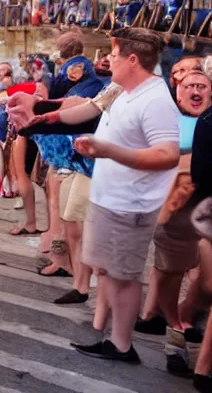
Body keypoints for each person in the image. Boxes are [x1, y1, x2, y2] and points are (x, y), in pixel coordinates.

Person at [70, 28, 180, 362]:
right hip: (109, 200)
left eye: (114, 54)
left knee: (124, 276)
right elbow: (87, 108)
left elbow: (168, 155)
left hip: (130, 206)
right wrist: (42, 116)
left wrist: (108, 151)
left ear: (133, 60)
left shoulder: (156, 99)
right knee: (108, 271)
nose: (107, 59)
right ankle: (111, 337)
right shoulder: (122, 88)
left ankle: (121, 345)